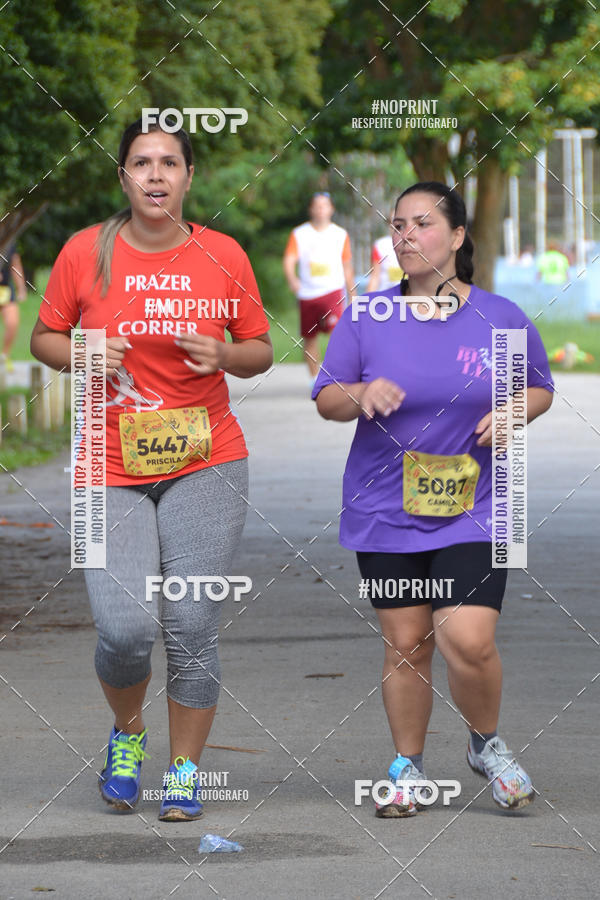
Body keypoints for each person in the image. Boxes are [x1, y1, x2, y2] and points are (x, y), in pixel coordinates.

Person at [31, 118, 272, 821]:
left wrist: (224, 356)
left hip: (206, 460)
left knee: (192, 617)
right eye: (142, 162)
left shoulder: (222, 254)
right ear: (124, 178)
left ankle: (187, 772)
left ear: (190, 177)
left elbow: (259, 348)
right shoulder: (85, 253)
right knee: (126, 628)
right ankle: (128, 736)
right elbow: (44, 335)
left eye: (170, 162)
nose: (157, 175)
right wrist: (79, 353)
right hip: (105, 465)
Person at [313, 181, 554, 818]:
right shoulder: (368, 315)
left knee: (466, 637)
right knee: (408, 642)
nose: (406, 236)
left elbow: (539, 389)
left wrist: (513, 412)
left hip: (478, 506)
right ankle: (408, 768)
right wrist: (361, 392)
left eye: (421, 224)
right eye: (397, 225)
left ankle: (486, 744)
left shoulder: (500, 317)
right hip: (384, 510)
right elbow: (327, 400)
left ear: (456, 236)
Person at [283, 192, 354, 385]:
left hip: (332, 290)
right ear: (311, 209)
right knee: (310, 337)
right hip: (308, 293)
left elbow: (347, 266)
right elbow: (289, 260)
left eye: (325, 205)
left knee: (338, 334)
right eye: (317, 205)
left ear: (331, 209)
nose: (321, 209)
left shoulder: (340, 234)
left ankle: (336, 375)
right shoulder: (300, 234)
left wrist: (352, 293)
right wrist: (292, 279)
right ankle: (314, 379)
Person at [0, 242, 28, 372]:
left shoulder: (10, 242)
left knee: (12, 323)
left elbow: (15, 265)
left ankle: (4, 355)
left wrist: (21, 288)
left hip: (5, 290)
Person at [366, 212, 404, 292]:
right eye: (392, 222)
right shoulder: (380, 245)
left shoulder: (416, 244)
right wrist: (366, 300)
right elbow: (375, 277)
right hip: (386, 298)